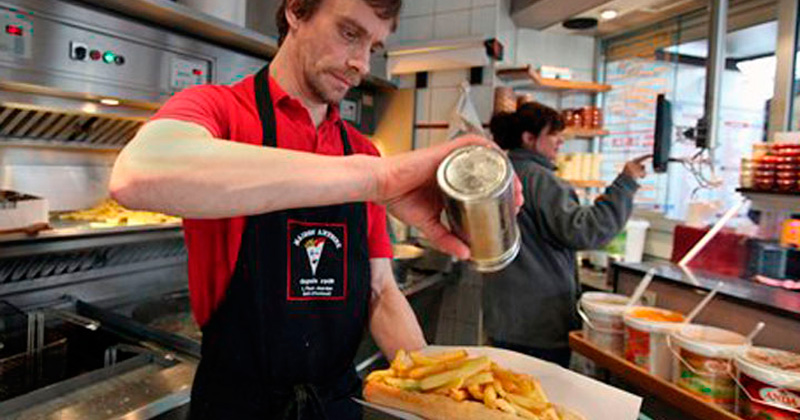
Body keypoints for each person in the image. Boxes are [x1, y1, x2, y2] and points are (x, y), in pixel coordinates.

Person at [109, 0, 521, 418]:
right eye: (349, 33)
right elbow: (136, 174)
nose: (362, 64)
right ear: (296, 11)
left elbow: (380, 289)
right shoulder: (221, 110)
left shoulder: (360, 151)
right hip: (238, 405)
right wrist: (377, 179)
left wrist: (439, 391)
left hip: (335, 404)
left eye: (374, 47)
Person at [483, 102, 649, 368]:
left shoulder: (499, 173)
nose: (560, 141)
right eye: (553, 134)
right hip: (537, 322)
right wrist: (626, 183)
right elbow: (586, 231)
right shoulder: (541, 180)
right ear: (529, 138)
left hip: (502, 315)